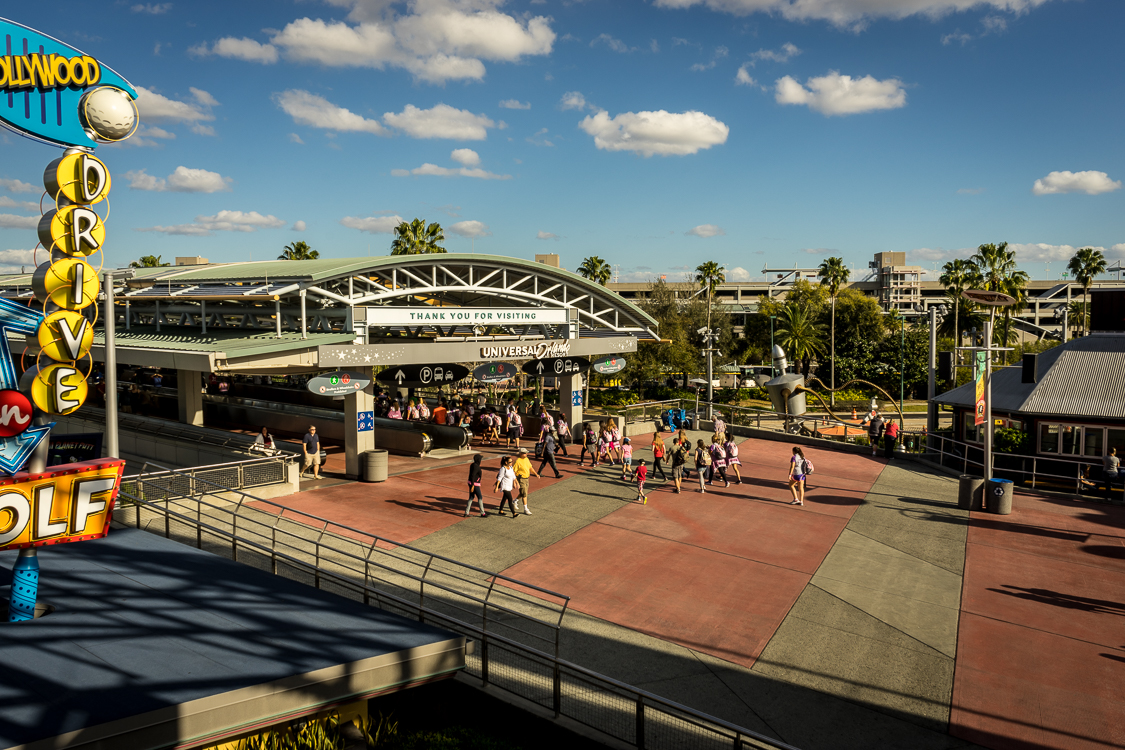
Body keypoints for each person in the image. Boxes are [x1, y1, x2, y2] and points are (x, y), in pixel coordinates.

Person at [513, 447, 540, 514]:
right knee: (524, 494)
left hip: (526, 478)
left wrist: (536, 474)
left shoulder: (526, 459)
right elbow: (514, 471)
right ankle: (526, 509)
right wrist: (514, 481)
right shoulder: (518, 461)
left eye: (526, 452)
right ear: (521, 454)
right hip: (521, 478)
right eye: (525, 453)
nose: (526, 454)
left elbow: (530, 467)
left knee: (523, 493)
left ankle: (515, 501)